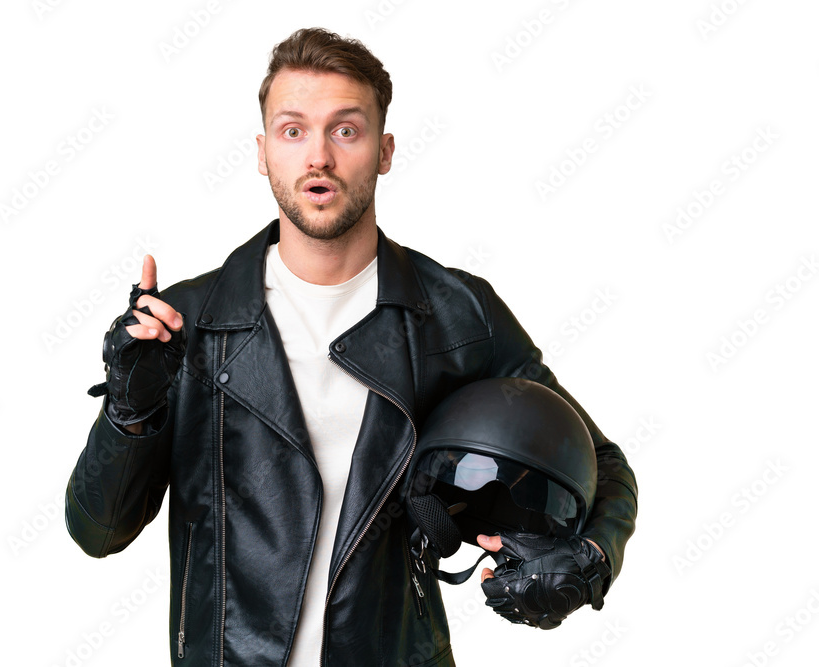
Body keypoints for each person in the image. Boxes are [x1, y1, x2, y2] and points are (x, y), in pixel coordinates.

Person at [65, 27, 638, 667]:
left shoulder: (458, 313)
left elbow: (601, 463)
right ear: (262, 152)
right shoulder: (186, 321)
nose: (319, 157)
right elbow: (97, 531)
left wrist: (589, 557)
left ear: (384, 150)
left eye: (345, 130)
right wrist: (129, 414)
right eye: (292, 131)